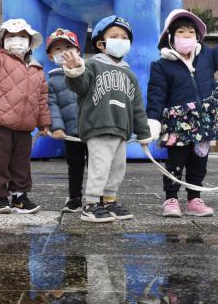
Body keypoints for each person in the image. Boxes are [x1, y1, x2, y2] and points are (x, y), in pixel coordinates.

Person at [146, 8, 218, 218]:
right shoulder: (161, 66)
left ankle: (194, 199)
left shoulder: (207, 56)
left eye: (190, 32)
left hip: (203, 122)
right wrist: (152, 121)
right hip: (177, 124)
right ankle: (171, 199)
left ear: (197, 36)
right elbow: (156, 95)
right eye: (181, 32)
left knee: (199, 162)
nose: (186, 36)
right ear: (171, 37)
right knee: (175, 161)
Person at [61, 15, 154, 223]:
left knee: (117, 169)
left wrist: (143, 132)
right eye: (114, 36)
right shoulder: (92, 65)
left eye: (124, 37)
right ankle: (92, 203)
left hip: (121, 130)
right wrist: (75, 69)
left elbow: (137, 106)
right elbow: (79, 86)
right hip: (98, 127)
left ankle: (110, 201)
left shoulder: (129, 74)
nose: (120, 40)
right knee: (100, 166)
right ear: (101, 43)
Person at [0, 2, 50, 214]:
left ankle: (20, 197)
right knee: (0, 162)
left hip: (25, 127)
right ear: (3, 41)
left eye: (23, 37)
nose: (18, 41)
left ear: (31, 42)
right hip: (1, 125)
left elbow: (42, 98)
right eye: (12, 36)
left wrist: (44, 123)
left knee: (22, 164)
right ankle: (0, 198)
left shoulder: (37, 69)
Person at [44, 28, 88, 213]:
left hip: (93, 129)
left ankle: (99, 198)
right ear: (51, 56)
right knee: (75, 166)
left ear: (78, 50)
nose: (63, 52)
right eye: (58, 49)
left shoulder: (88, 72)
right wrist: (58, 127)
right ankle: (75, 198)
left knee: (98, 166)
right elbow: (52, 106)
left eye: (68, 47)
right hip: (71, 132)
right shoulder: (52, 81)